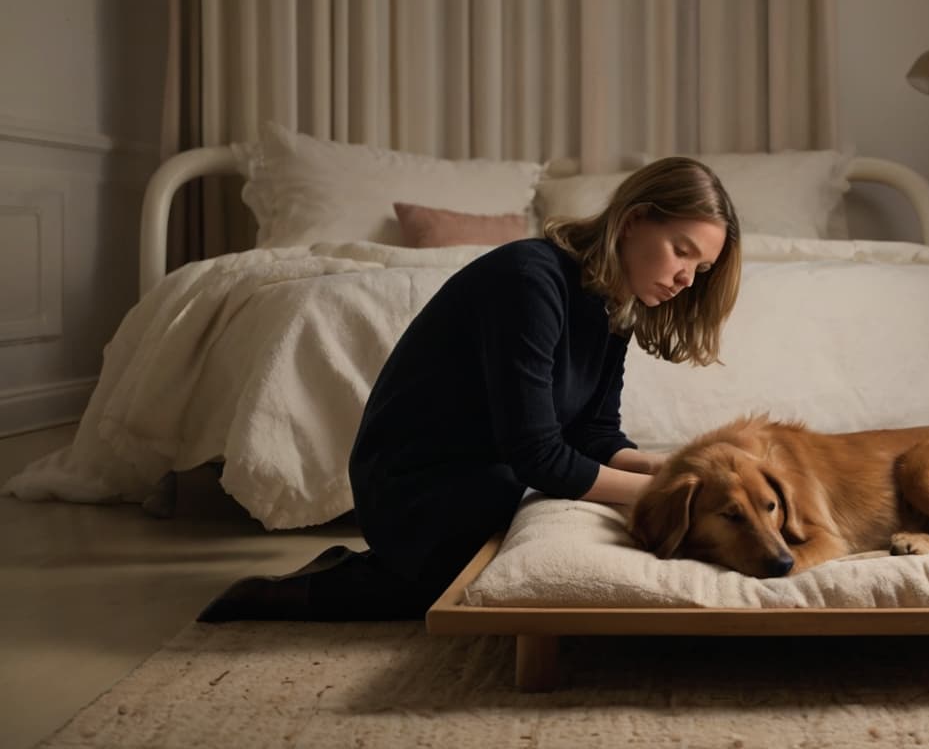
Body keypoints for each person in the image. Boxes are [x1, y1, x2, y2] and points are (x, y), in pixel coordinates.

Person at [198, 156, 742, 621]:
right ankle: (297, 591)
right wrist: (667, 499)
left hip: (492, 472)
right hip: (417, 486)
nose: (685, 281)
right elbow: (540, 458)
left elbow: (593, 432)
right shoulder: (530, 280)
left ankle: (367, 568)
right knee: (452, 594)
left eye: (702, 268)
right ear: (634, 221)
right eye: (681, 251)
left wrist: (669, 471)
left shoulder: (611, 302)